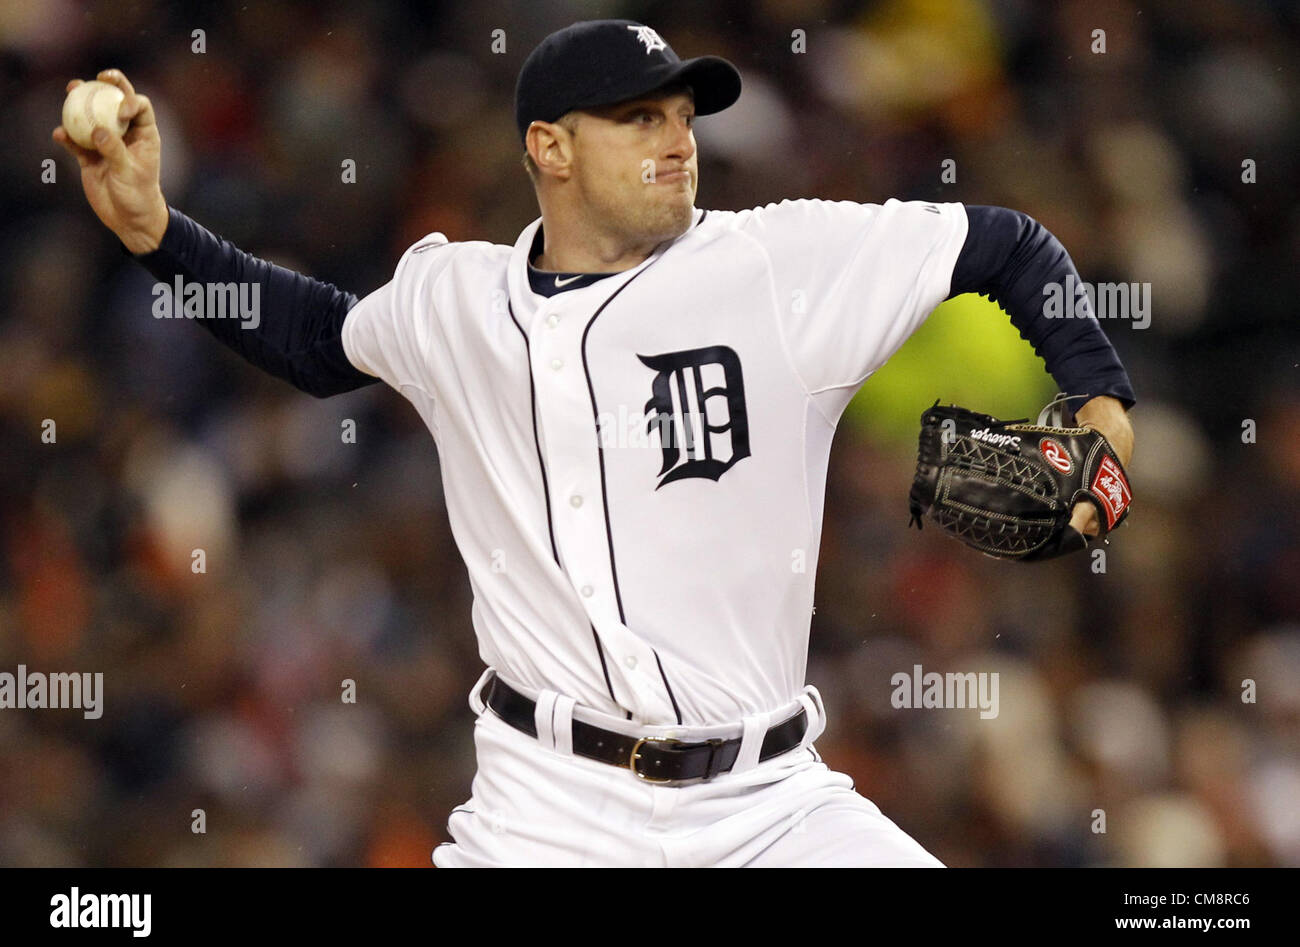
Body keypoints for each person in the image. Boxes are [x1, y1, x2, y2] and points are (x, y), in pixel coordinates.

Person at [56, 19, 1135, 866]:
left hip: (769, 806)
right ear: (550, 146)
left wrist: (1102, 405)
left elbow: (1005, 244)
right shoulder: (455, 298)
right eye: (638, 120)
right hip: (549, 811)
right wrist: (156, 233)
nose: (676, 142)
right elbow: (315, 339)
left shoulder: (775, 264)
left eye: (682, 117)